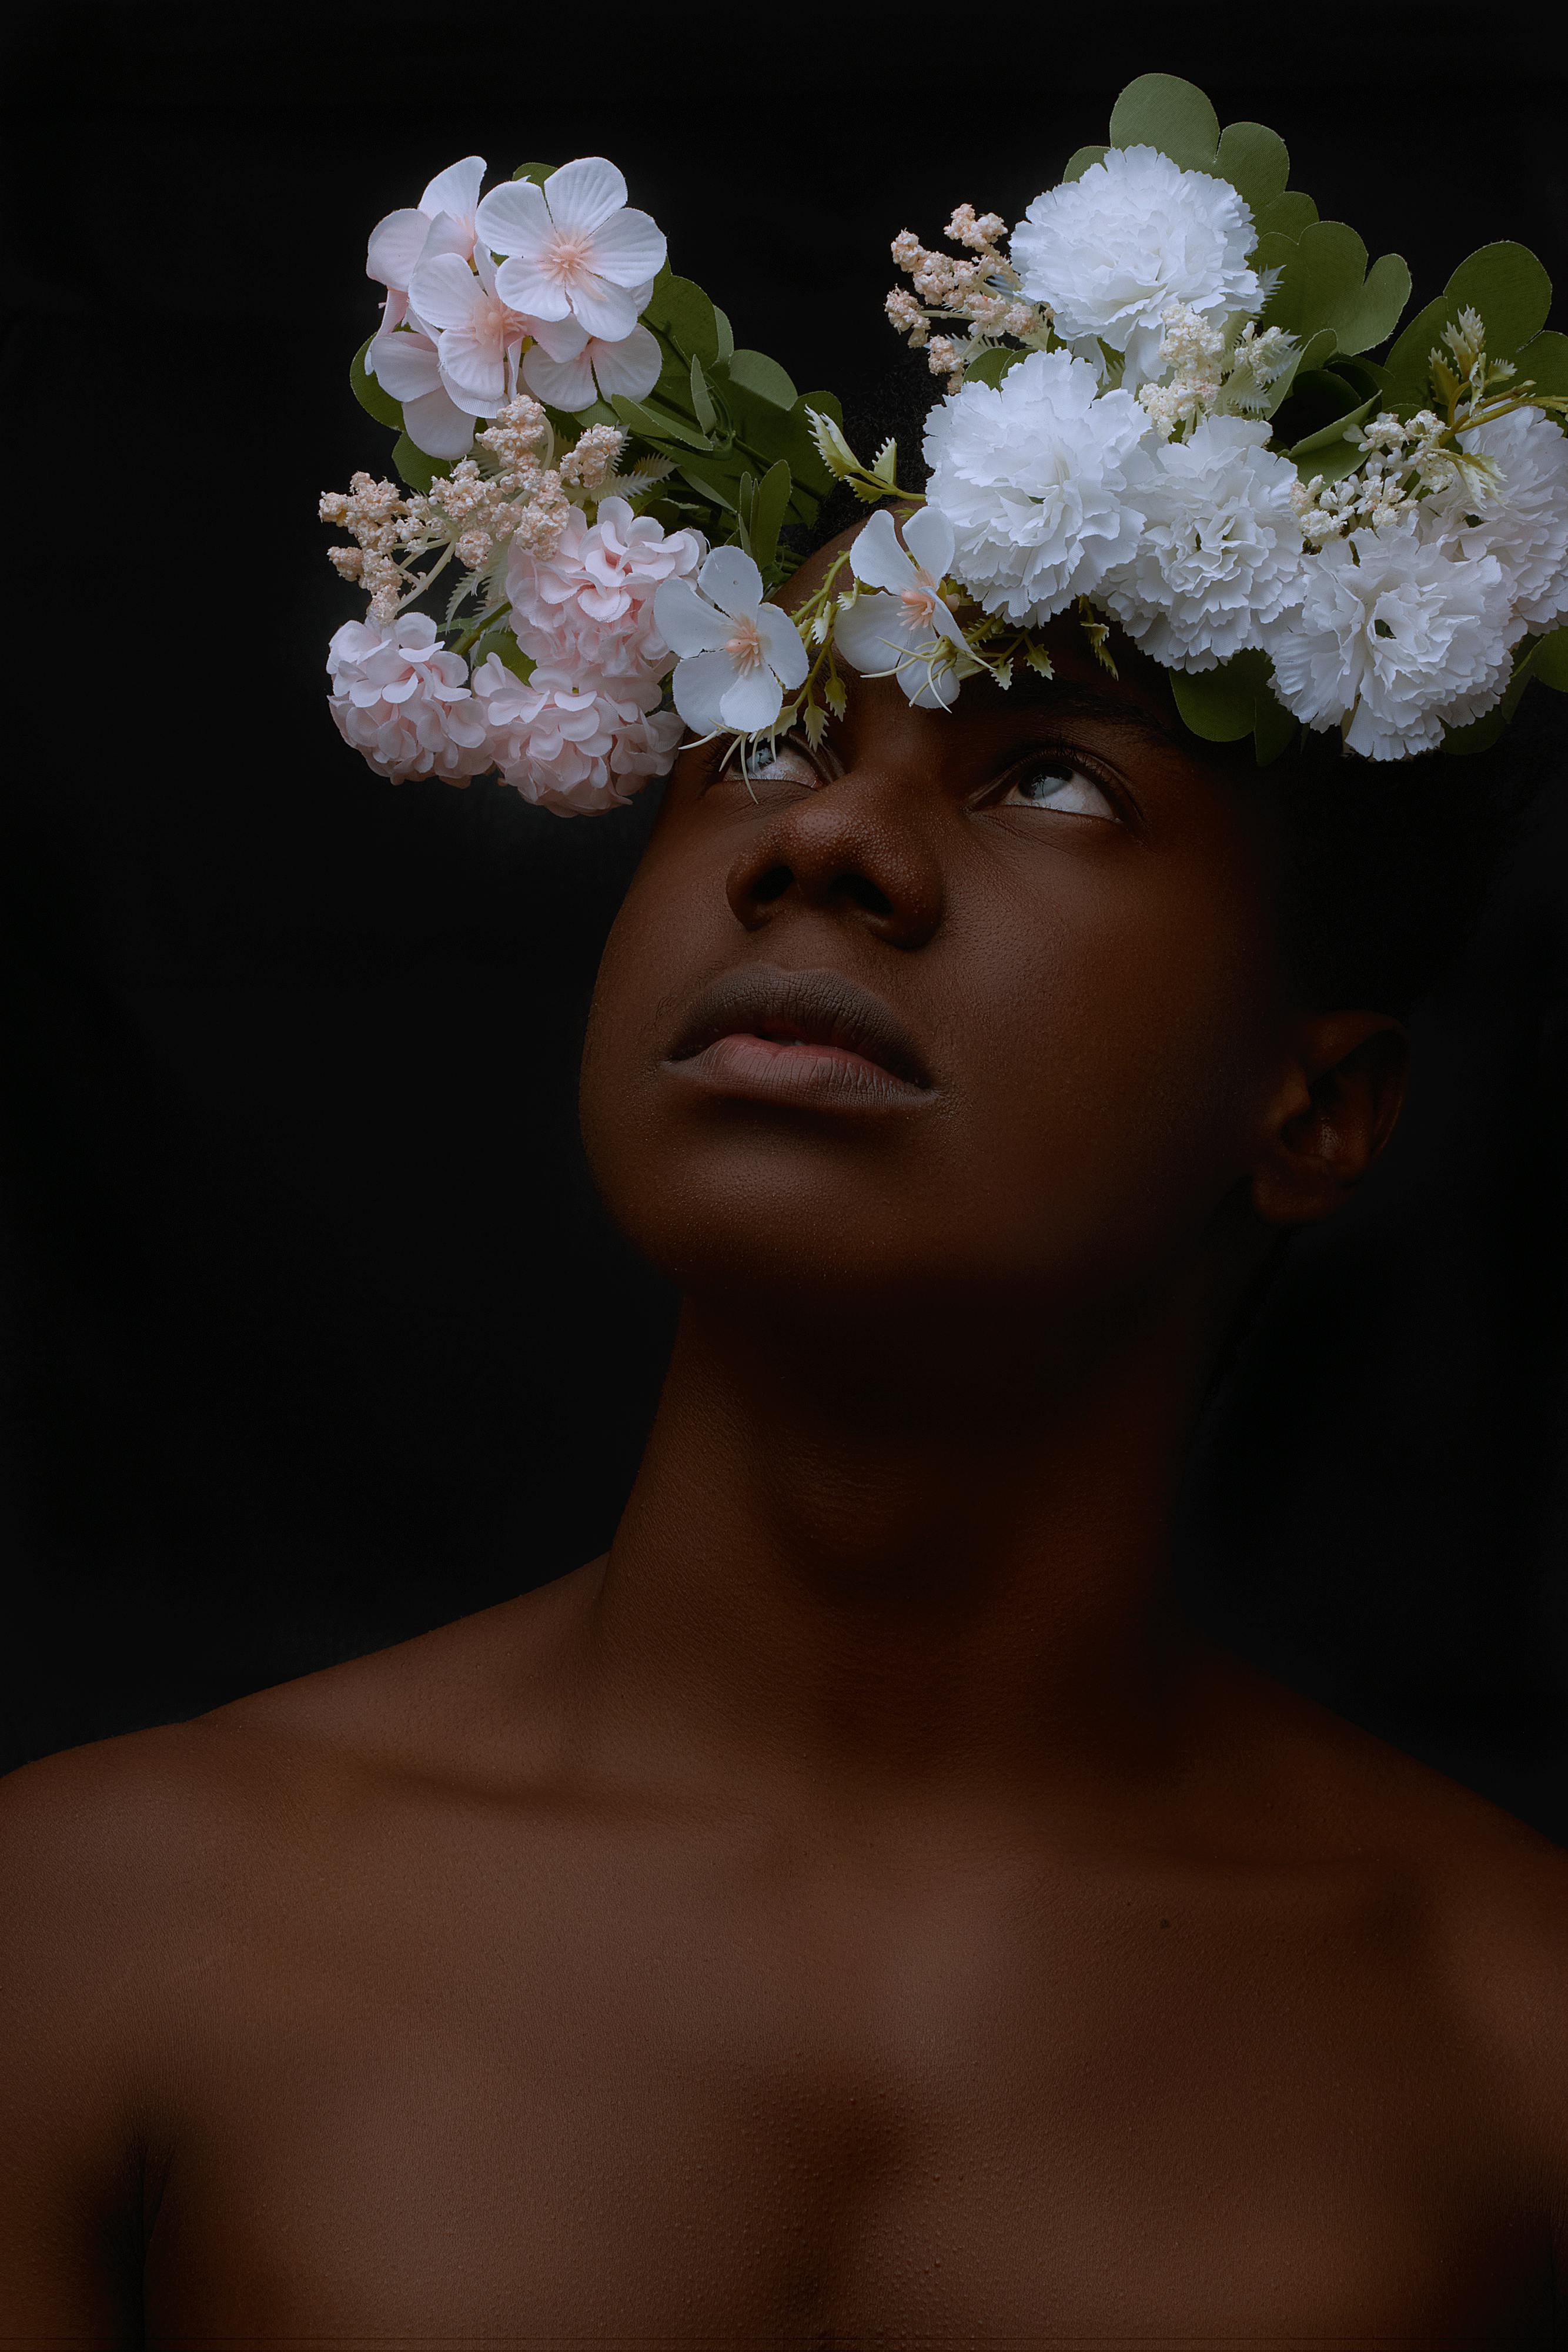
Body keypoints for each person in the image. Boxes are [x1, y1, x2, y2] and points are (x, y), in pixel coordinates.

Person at [4, 515, 1568, 2343]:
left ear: (1312, 1107)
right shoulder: (97, 1927)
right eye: (758, 738)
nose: (819, 838)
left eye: (1050, 776)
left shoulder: (1505, 2024)